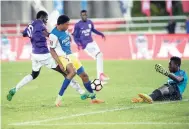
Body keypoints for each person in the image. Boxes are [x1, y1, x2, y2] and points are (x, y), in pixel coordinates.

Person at [7, 11, 87, 102]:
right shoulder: (40, 24)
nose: (46, 21)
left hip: (34, 55)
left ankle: (15, 88)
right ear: (42, 17)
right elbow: (46, 33)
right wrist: (50, 35)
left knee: (34, 74)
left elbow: (23, 34)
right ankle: (81, 92)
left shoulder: (31, 24)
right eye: (46, 19)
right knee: (66, 72)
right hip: (44, 54)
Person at [49, 15, 104, 107]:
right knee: (72, 72)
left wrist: (69, 37)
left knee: (85, 76)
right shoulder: (53, 35)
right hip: (62, 57)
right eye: (67, 24)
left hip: (71, 55)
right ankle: (58, 99)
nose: (68, 26)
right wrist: (59, 63)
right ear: (61, 24)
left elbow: (67, 37)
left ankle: (93, 99)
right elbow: (52, 50)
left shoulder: (64, 30)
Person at [72, 10, 109, 83]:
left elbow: (93, 30)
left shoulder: (90, 22)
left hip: (93, 42)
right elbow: (75, 36)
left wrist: (101, 34)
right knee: (99, 55)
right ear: (81, 16)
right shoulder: (78, 25)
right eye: (83, 15)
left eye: (85, 15)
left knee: (100, 55)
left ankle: (100, 77)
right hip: (85, 45)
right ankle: (100, 76)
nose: (84, 16)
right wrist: (78, 44)